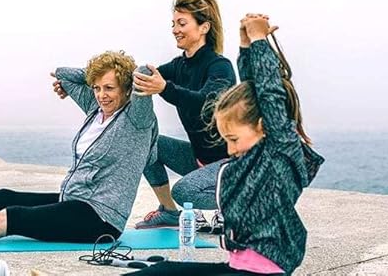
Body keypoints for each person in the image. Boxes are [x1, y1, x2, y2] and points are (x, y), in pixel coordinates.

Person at [124, 15, 325, 275]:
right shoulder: (251, 159)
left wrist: (259, 40)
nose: (230, 150)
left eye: (233, 139)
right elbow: (253, 88)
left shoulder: (279, 154)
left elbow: (269, 94)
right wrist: (244, 45)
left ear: (265, 128)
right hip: (237, 266)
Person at [0, 51, 158, 242]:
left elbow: (142, 73)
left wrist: (122, 72)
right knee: (3, 197)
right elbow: (62, 74)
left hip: (101, 218)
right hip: (73, 201)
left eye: (109, 88)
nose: (101, 95)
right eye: (96, 88)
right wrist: (97, 74)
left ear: (127, 88)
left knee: (14, 217)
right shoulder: (95, 110)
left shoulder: (136, 119)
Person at [132, 0, 236, 229]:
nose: (175, 29)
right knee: (148, 143)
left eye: (182, 23)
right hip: (200, 160)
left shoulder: (220, 66)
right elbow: (140, 77)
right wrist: (85, 82)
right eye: (173, 24)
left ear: (204, 27)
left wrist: (164, 88)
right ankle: (169, 212)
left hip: (230, 165)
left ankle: (238, 203)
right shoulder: (179, 65)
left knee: (185, 192)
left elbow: (207, 101)